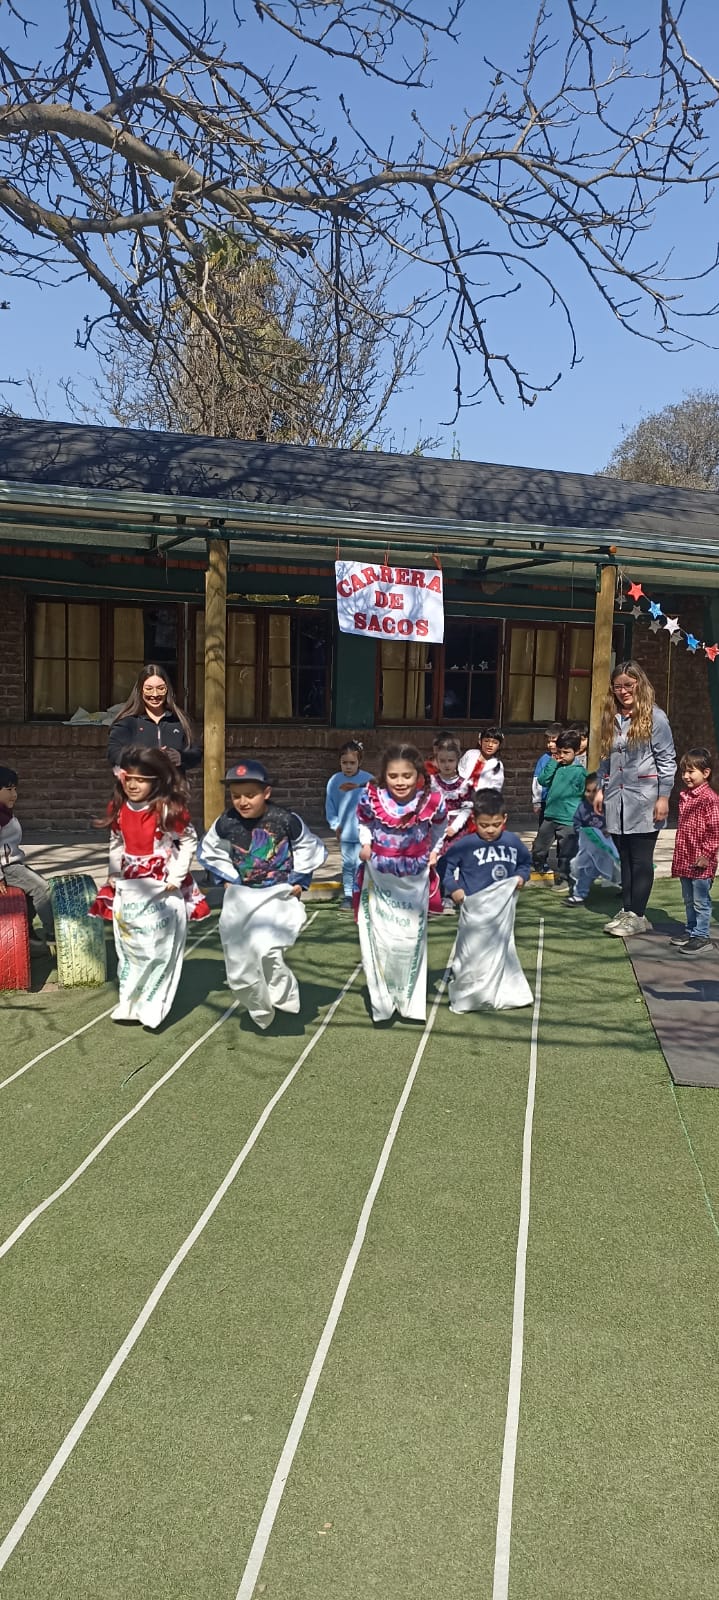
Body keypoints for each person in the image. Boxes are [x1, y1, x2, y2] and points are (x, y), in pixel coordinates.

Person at [199, 760, 324, 1029]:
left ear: (266, 792)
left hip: (278, 894)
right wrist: (227, 878)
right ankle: (258, 1006)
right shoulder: (227, 822)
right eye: (235, 796)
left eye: (250, 795)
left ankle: (284, 998)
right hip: (242, 896)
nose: (242, 801)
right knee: (239, 957)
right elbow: (211, 849)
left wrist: (300, 880)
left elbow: (307, 846)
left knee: (269, 951)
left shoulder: (285, 819)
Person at [90, 747, 207, 1028]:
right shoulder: (118, 808)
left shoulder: (166, 809)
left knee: (158, 946)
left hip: (161, 881)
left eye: (140, 780)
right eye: (128, 778)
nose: (132, 784)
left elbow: (189, 839)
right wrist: (113, 873)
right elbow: (116, 841)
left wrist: (176, 877)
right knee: (131, 947)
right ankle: (130, 1003)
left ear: (156, 781)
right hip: (130, 881)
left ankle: (154, 1005)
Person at [355, 744, 447, 1022]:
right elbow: (363, 823)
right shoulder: (372, 796)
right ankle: (382, 1002)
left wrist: (435, 849)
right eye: (393, 776)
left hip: (414, 874)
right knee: (381, 939)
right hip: (380, 872)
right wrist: (366, 844)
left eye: (406, 776)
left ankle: (409, 1001)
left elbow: (441, 825)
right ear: (384, 775)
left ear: (417, 774)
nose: (400, 782)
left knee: (409, 940)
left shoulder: (431, 798)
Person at [595, 660, 677, 938]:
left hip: (644, 798)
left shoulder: (655, 718)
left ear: (639, 684)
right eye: (617, 686)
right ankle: (628, 908)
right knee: (625, 857)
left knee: (641, 859)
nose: (623, 691)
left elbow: (667, 760)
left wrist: (663, 797)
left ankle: (638, 915)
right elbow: (606, 755)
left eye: (628, 685)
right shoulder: (611, 716)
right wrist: (599, 787)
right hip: (616, 798)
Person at [438, 788, 533, 1011]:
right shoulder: (466, 844)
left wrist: (521, 876)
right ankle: (469, 991)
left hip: (501, 911)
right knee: (471, 952)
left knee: (501, 950)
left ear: (504, 820)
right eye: (484, 825)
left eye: (496, 824)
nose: (490, 830)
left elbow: (525, 862)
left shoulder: (512, 841)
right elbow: (445, 866)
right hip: (474, 908)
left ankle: (503, 991)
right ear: (474, 820)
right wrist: (454, 889)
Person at [0, 764, 55, 953]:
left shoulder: (4, 813)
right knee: (42, 889)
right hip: (7, 867)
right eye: (8, 790)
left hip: (13, 863)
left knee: (30, 895)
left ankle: (28, 934)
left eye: (15, 789)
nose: (14, 794)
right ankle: (53, 934)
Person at [107, 664, 201, 775]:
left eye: (160, 689)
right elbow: (114, 754)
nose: (155, 694)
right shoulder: (127, 723)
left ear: (167, 690)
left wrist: (181, 756)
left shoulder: (180, 721)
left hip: (173, 789)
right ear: (140, 690)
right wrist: (147, 757)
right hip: (140, 789)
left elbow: (196, 753)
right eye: (149, 689)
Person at [669, 747, 719, 956]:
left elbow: (715, 831)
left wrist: (706, 855)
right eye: (684, 772)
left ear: (705, 773)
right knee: (688, 898)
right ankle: (691, 930)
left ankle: (701, 935)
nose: (686, 776)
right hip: (685, 855)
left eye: (691, 771)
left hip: (700, 859)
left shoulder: (710, 798)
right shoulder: (684, 796)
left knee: (700, 899)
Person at [531, 730, 585, 890]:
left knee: (566, 853)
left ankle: (565, 880)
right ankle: (539, 868)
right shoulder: (555, 766)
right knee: (539, 848)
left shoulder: (580, 772)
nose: (562, 755)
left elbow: (585, 793)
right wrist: (553, 763)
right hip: (550, 816)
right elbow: (542, 780)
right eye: (560, 751)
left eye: (566, 752)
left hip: (568, 819)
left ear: (576, 752)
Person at [325, 739, 374, 907]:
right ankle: (348, 895)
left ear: (359, 762)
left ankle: (359, 892)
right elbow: (330, 805)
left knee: (361, 865)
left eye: (352, 763)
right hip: (345, 831)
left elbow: (378, 802)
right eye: (344, 762)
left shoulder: (368, 780)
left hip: (364, 833)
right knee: (347, 864)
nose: (348, 766)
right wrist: (334, 825)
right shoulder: (334, 780)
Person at [564, 771, 621, 908]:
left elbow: (619, 822)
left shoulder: (610, 806)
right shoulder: (583, 807)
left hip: (609, 849)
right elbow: (577, 823)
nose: (590, 794)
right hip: (590, 850)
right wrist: (583, 832)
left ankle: (628, 889)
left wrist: (611, 830)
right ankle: (579, 895)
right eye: (588, 791)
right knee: (585, 869)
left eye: (594, 791)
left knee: (618, 869)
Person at [458, 727, 505, 792]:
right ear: (480, 741)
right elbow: (460, 770)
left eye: (495, 742)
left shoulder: (497, 764)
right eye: (486, 741)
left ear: (499, 746)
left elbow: (496, 787)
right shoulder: (470, 754)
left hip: (481, 799)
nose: (490, 745)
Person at [531, 723, 562, 816]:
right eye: (549, 741)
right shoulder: (544, 758)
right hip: (545, 801)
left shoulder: (567, 758)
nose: (550, 745)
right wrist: (537, 802)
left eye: (554, 741)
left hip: (561, 800)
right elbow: (537, 780)